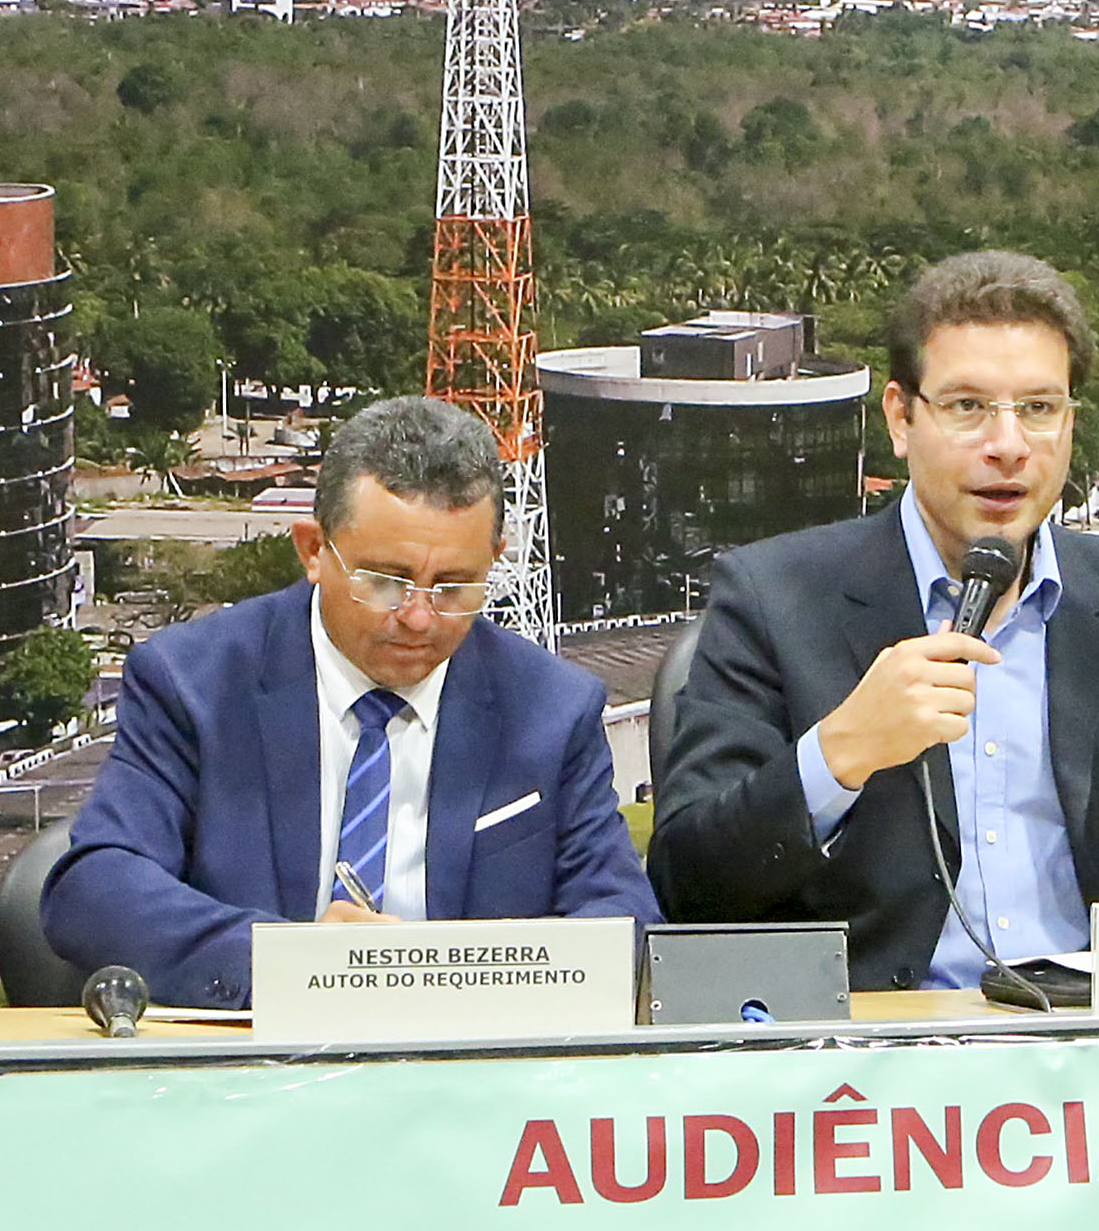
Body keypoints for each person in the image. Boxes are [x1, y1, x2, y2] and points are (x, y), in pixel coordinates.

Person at [648, 250, 1099, 987]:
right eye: (967, 407)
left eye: (1038, 409)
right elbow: (689, 885)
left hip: (1095, 1035)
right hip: (874, 1040)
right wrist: (840, 753)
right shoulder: (773, 598)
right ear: (901, 418)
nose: (1007, 446)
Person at [43, 395, 655, 1007]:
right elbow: (95, 890)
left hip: (472, 1050)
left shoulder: (551, 709)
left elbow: (624, 919)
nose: (418, 617)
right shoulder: (194, 684)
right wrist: (302, 967)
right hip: (257, 1050)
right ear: (314, 550)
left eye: (453, 587)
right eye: (385, 582)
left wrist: (454, 978)